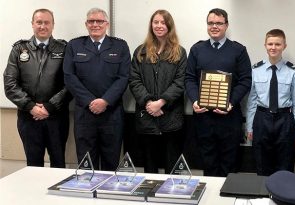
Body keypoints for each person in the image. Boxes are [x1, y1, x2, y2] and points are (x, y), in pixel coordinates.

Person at [185, 8, 252, 177]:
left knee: (230, 165)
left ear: (226, 25)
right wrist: (194, 100)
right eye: (211, 23)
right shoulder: (197, 49)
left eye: (219, 23)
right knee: (208, 164)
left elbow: (245, 81)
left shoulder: (238, 50)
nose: (214, 26)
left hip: (229, 117)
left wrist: (231, 102)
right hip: (203, 117)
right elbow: (189, 78)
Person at [63, 8, 130, 171]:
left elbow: (124, 77)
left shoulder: (120, 46)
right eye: (91, 21)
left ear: (106, 24)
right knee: (86, 164)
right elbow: (69, 76)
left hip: (112, 114)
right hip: (85, 114)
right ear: (86, 24)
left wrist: (105, 101)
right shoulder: (74, 45)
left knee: (111, 162)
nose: (95, 24)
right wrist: (90, 101)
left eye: (99, 21)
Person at [3, 8, 71, 168]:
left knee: (58, 165)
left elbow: (71, 84)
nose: (43, 26)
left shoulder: (65, 49)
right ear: (32, 24)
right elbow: (10, 84)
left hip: (56, 118)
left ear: (53, 25)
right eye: (39, 22)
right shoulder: (19, 50)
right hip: (29, 118)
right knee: (33, 166)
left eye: (47, 22)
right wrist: (31, 106)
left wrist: (49, 107)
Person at [129, 10, 187, 174]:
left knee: (172, 166)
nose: (159, 26)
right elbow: (134, 80)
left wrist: (161, 102)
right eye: (156, 22)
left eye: (163, 22)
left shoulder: (179, 52)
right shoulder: (140, 51)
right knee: (149, 165)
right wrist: (149, 103)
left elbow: (180, 82)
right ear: (151, 25)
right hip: (146, 117)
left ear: (169, 26)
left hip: (171, 117)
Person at [246, 29, 295, 176]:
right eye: (270, 44)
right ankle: (262, 195)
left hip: (284, 120)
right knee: (261, 163)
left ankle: (282, 198)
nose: (273, 47)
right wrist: (250, 127)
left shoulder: (293, 71)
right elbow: (252, 101)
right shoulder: (255, 70)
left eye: (277, 44)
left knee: (285, 164)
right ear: (265, 45)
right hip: (261, 118)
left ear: (284, 46)